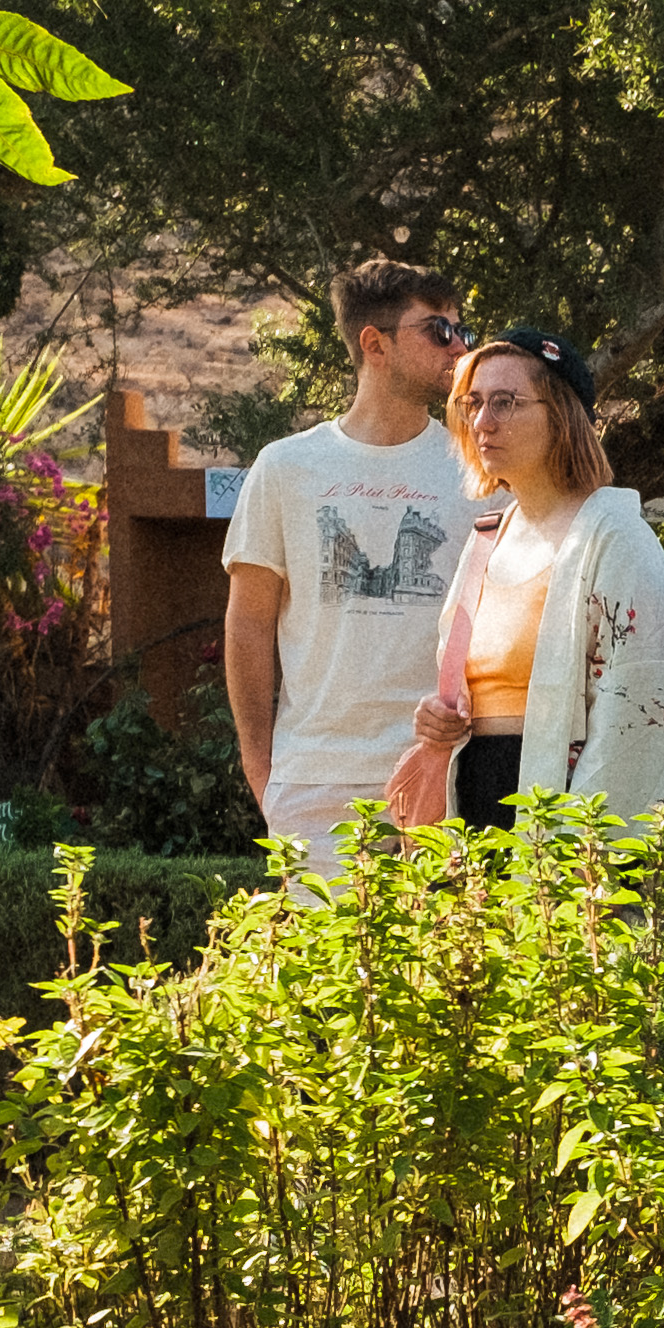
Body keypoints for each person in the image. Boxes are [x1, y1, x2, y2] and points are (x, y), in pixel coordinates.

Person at [221, 259, 485, 871]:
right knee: (324, 967)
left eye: (460, 328)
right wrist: (262, 769)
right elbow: (248, 624)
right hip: (318, 781)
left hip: (446, 772)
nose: (460, 346)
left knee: (449, 966)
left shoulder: (478, 468)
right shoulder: (286, 467)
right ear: (375, 344)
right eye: (437, 330)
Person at [384, 330, 664, 834]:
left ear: (563, 416)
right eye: (473, 403)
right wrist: (440, 724)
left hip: (564, 814)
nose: (482, 422)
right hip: (474, 809)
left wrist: (579, 850)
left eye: (505, 402)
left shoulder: (616, 538)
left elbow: (638, 716)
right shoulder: (487, 537)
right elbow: (472, 699)